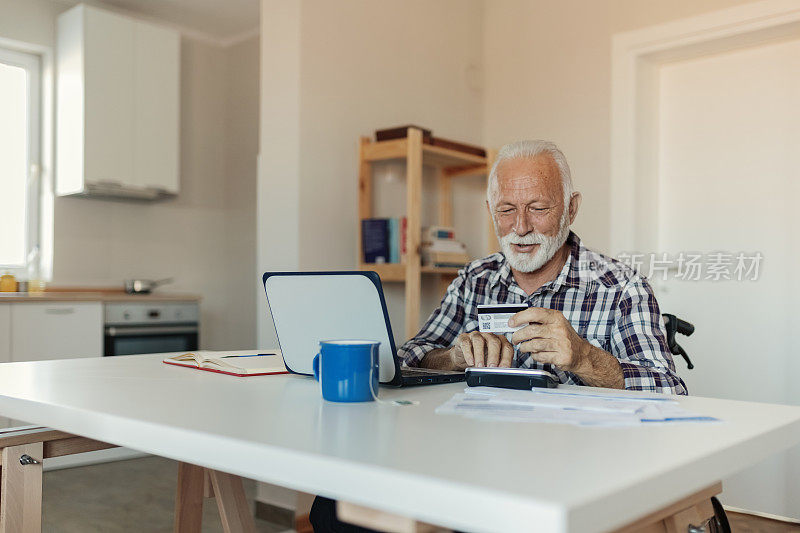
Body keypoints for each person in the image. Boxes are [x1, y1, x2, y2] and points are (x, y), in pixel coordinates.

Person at [399, 139, 686, 394]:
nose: (520, 227)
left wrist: (584, 357)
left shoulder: (622, 287)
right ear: (491, 210)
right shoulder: (474, 279)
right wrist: (452, 358)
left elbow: (669, 389)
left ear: (570, 209)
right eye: (507, 210)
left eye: (538, 208)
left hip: (582, 448)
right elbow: (407, 357)